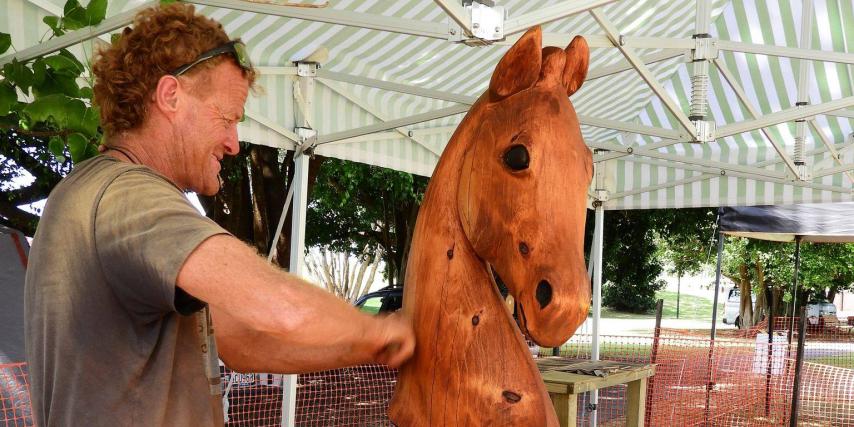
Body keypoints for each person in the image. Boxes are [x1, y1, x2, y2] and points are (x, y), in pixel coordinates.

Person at [24, 4, 415, 426]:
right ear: (170, 96)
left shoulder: (98, 197)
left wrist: (373, 348)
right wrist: (378, 330)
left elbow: (243, 343)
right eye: (227, 118)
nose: (233, 143)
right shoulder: (125, 196)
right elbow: (277, 306)